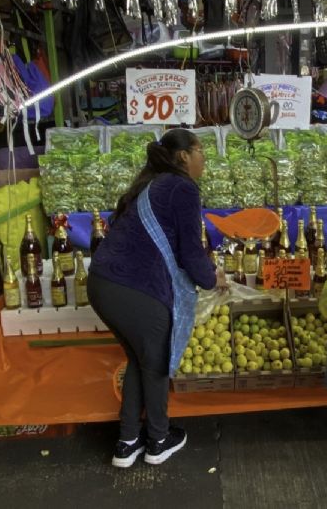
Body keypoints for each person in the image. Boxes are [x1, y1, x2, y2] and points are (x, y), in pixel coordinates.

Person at [88, 129, 225, 468]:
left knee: (141, 360)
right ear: (184, 156)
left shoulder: (152, 184)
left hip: (102, 285)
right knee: (157, 363)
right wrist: (213, 279)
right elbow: (191, 254)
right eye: (201, 151)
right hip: (135, 289)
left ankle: (127, 441)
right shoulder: (182, 187)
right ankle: (158, 440)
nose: (203, 159)